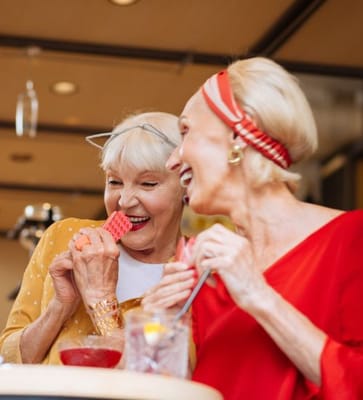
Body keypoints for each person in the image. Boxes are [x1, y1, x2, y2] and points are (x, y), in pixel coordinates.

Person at [142, 58, 363, 399]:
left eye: (186, 132)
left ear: (237, 134)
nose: (173, 160)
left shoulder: (352, 239)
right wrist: (158, 326)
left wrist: (256, 295)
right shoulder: (206, 274)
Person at [0, 111, 184, 365]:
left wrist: (100, 300)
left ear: (186, 188)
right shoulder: (63, 236)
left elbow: (158, 375)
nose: (124, 201)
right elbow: (9, 360)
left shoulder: (193, 272)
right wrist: (60, 305)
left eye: (148, 184)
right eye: (115, 181)